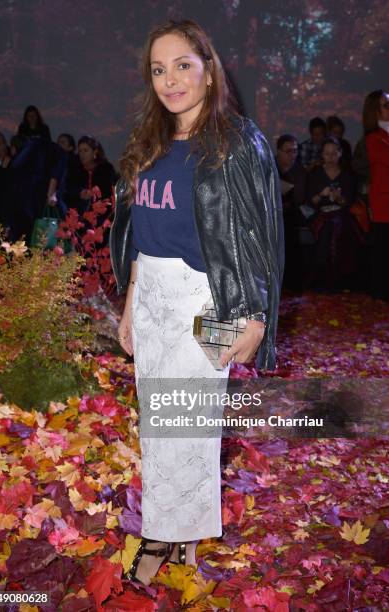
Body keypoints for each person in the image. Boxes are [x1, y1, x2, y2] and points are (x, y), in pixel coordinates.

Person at [109, 19, 284, 585]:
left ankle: (161, 537)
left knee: (189, 423)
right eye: (159, 70)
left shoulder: (237, 142)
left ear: (209, 70)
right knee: (162, 426)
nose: (170, 79)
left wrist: (254, 314)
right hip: (156, 295)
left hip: (206, 298)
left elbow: (258, 234)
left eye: (183, 64)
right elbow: (139, 235)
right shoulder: (150, 144)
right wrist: (131, 304)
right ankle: (184, 539)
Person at [305, 137, 364, 290]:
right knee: (327, 228)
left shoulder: (347, 175)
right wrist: (322, 194)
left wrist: (339, 198)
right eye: (327, 154)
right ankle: (322, 278)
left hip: (341, 214)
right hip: (321, 215)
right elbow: (311, 202)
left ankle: (343, 278)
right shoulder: (315, 174)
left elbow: (348, 202)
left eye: (334, 153)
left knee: (341, 228)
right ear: (322, 155)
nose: (330, 157)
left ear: (340, 153)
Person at [364, 89, 389, 301]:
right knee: (383, 247)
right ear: (375, 111)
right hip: (383, 200)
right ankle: (380, 291)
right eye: (386, 105)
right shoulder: (373, 139)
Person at [275, 134, 306, 290]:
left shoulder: (299, 171)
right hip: (272, 213)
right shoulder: (269, 167)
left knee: (290, 228)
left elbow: (300, 198)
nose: (292, 155)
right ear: (279, 151)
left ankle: (292, 282)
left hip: (290, 214)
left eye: (295, 151)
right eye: (288, 151)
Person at [63, 135, 116, 215]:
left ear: (95, 152)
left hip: (102, 213)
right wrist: (80, 192)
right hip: (78, 214)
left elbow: (109, 191)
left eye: (85, 150)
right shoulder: (74, 168)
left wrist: (94, 194)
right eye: (80, 151)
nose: (82, 154)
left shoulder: (106, 169)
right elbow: (67, 188)